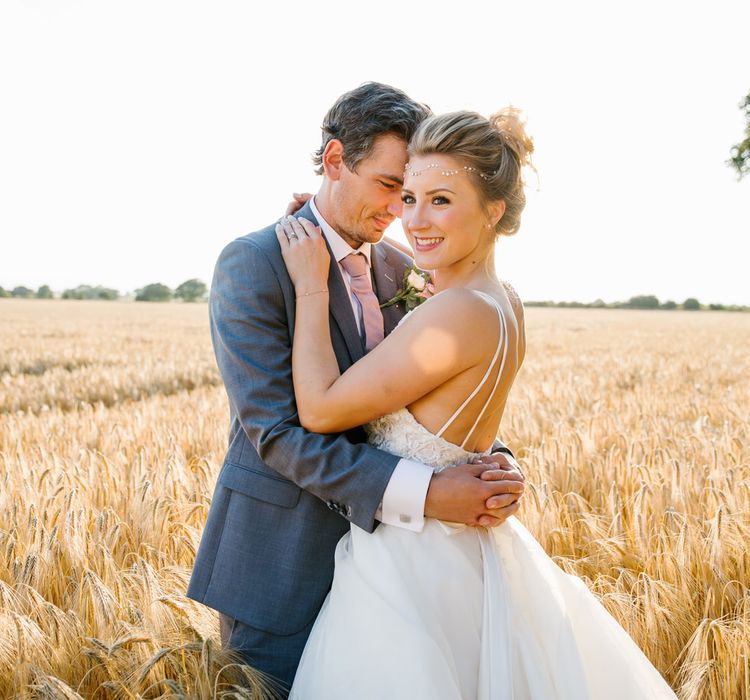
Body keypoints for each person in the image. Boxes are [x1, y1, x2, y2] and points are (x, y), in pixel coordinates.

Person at [277, 109, 678, 699]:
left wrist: (312, 285)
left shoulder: (456, 312)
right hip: (462, 551)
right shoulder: (501, 300)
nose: (413, 221)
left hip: (411, 566)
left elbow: (319, 409)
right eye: (408, 197)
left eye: (440, 200)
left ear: (493, 211)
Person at [186, 83, 526, 697]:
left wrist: (486, 461)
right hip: (283, 571)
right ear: (336, 160)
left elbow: (425, 396)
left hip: (397, 579)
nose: (402, 209)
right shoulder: (253, 263)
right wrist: (429, 493)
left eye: (417, 191)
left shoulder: (405, 268)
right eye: (391, 185)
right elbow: (279, 434)